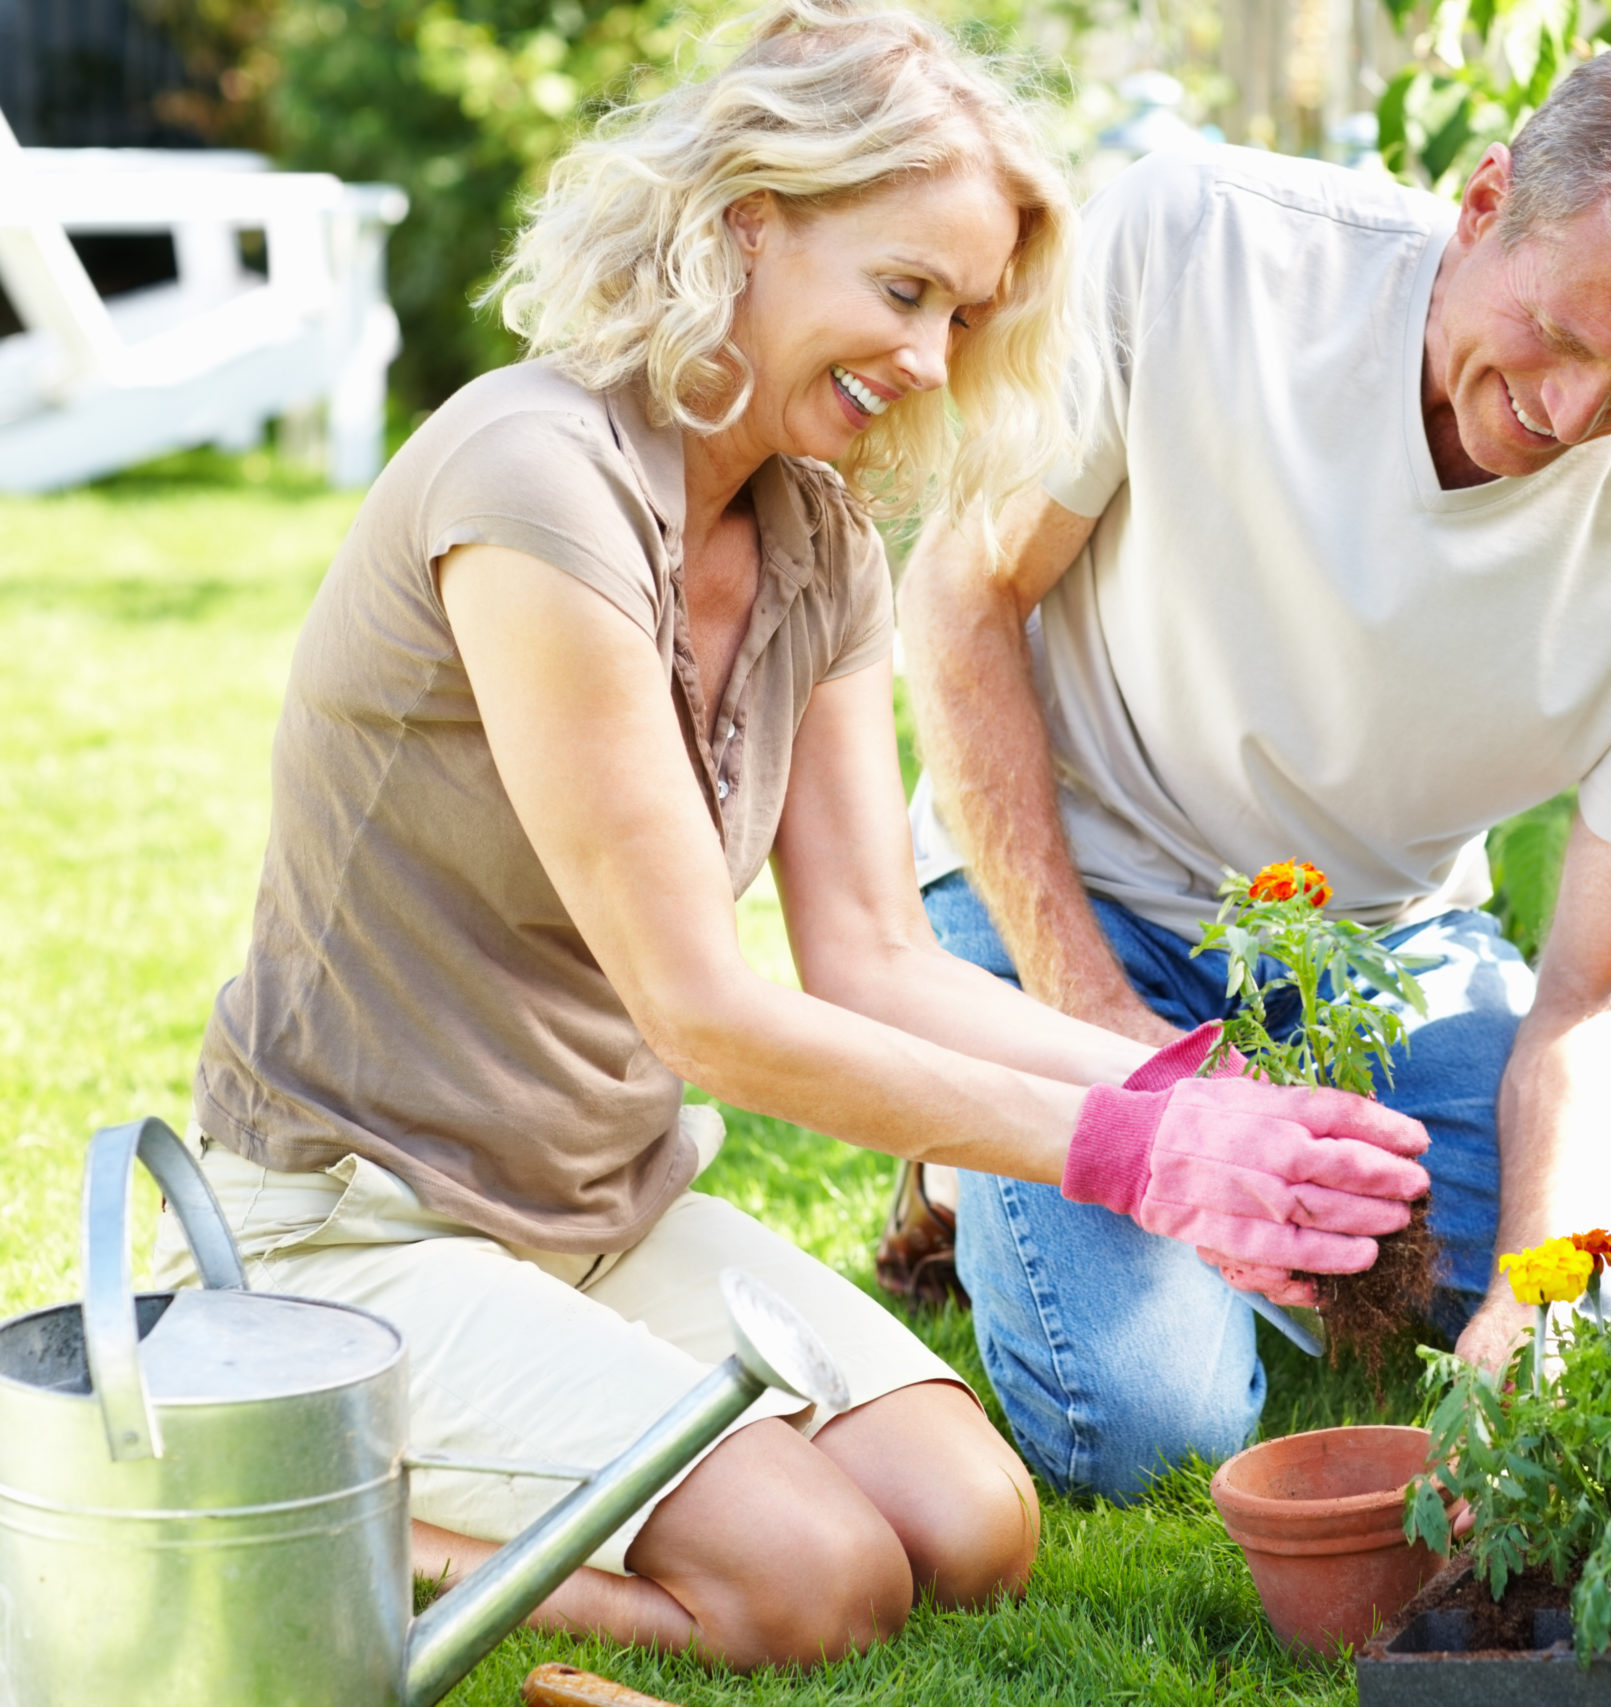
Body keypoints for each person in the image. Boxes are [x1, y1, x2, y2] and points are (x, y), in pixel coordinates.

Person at [149, 1, 1428, 1670]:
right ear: (745, 224)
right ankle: (290, 1505)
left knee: (969, 1531)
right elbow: (707, 1011)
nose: (927, 354)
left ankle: (445, 1483)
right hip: (354, 1225)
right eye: (902, 289)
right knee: (816, 1587)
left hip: (601, 1203)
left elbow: (877, 959)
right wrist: (1128, 1162)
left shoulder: (814, 539)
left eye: (959, 314)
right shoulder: (537, 480)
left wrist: (1192, 1105)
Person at [899, 44, 1611, 1501]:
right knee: (1152, 1434)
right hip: (1071, 896)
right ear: (1484, 201)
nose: (1571, 414)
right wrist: (1107, 1037)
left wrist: (1538, 1296)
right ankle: (968, 1161)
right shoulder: (1200, 244)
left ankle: (1285, 1202)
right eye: (1563, 334)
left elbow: (1606, 983)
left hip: (1382, 951)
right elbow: (966, 593)